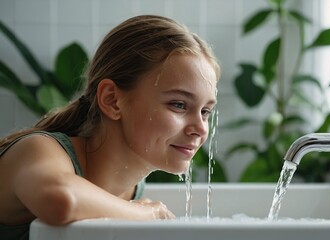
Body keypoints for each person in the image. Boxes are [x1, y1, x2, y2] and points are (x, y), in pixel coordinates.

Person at [0, 15, 220, 240]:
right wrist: (147, 214)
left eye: (205, 112)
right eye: (179, 104)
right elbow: (61, 199)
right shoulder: (39, 150)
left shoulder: (133, 189)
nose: (201, 129)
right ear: (112, 100)